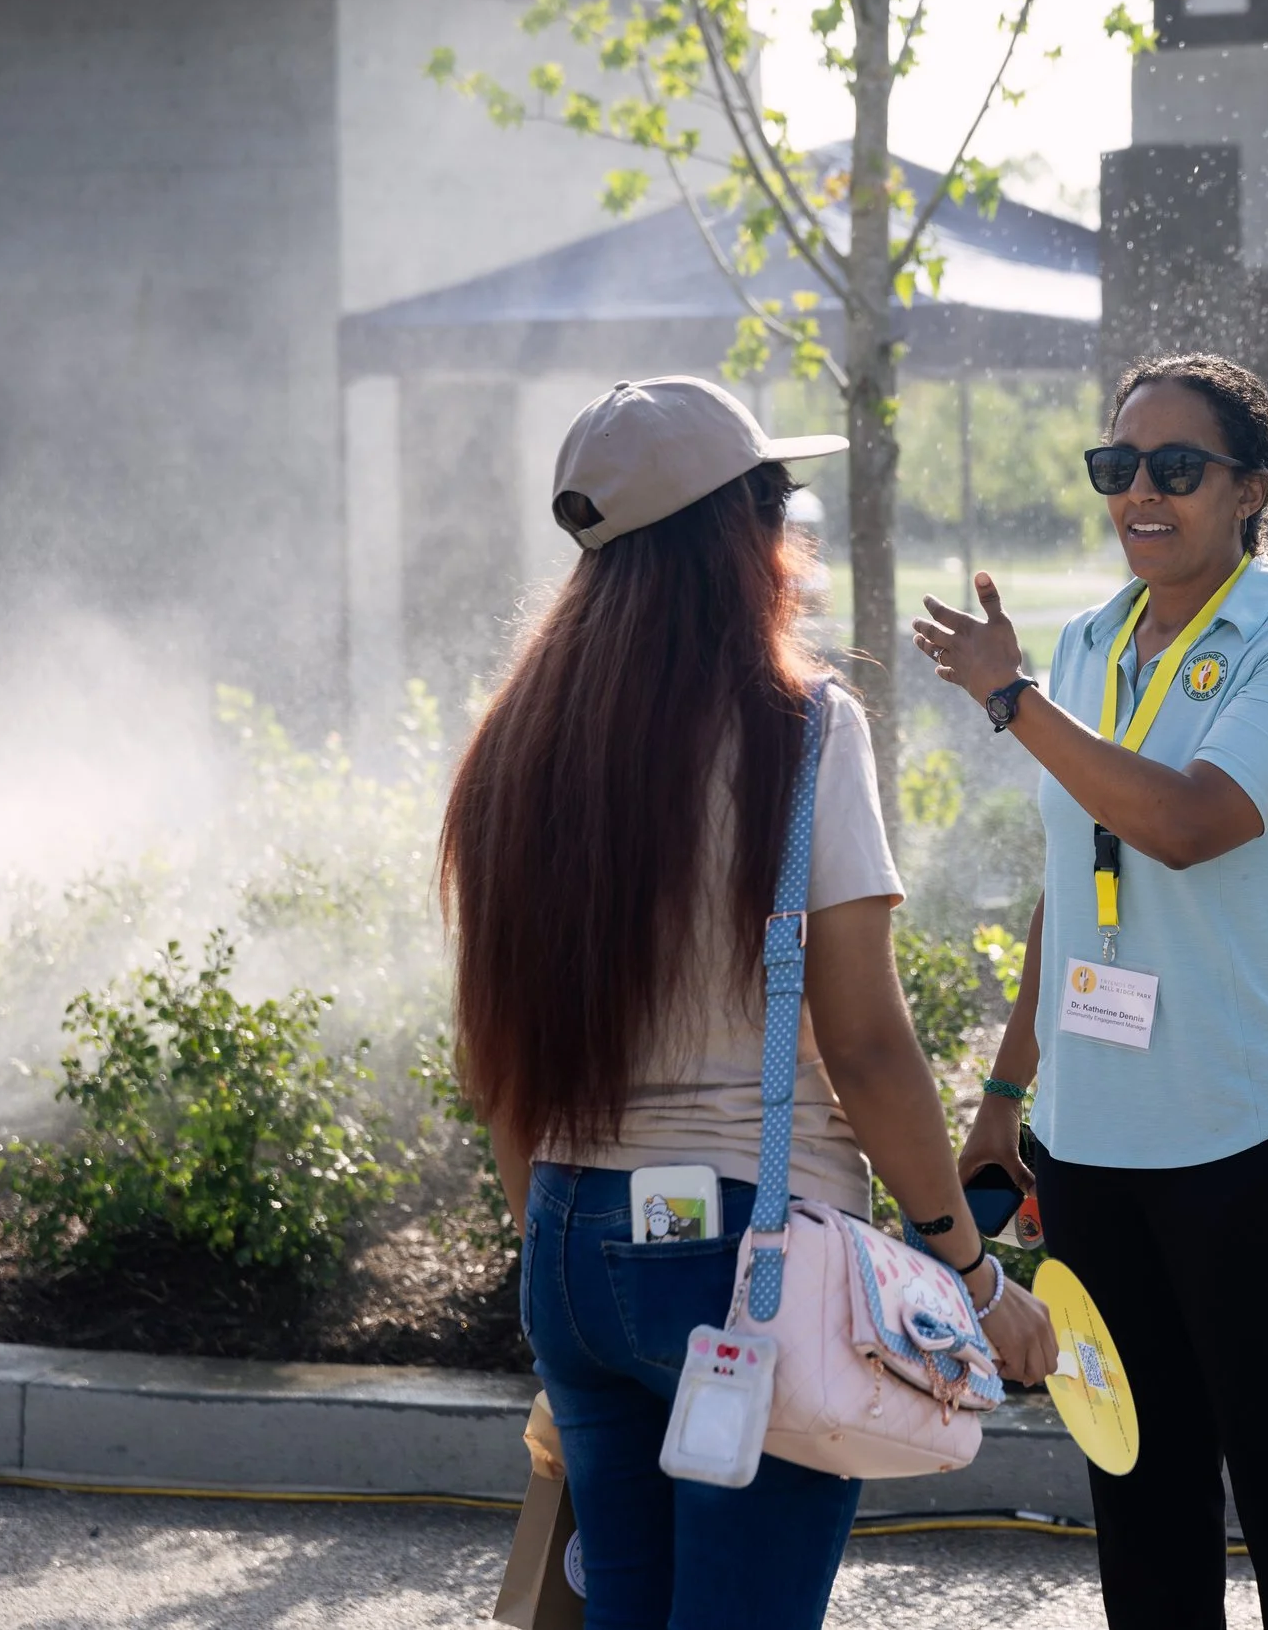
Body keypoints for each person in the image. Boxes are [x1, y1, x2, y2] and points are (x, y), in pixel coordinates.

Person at [441, 375, 1056, 1630]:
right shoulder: (798, 726)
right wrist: (978, 1280)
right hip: (742, 1259)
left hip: (567, 1239)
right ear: (741, 528)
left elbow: (496, 1052)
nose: (796, 531)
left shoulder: (514, 738)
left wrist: (558, 1243)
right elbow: (867, 1041)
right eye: (782, 503)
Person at [912, 353, 1268, 1630]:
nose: (1141, 493)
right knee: (1137, 1480)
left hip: (1255, 1123)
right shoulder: (1088, 640)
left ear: (1252, 487)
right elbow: (1076, 880)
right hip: (1097, 1134)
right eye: (1117, 467)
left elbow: (1186, 823)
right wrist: (1010, 1093)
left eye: (1177, 468)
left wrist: (1013, 700)